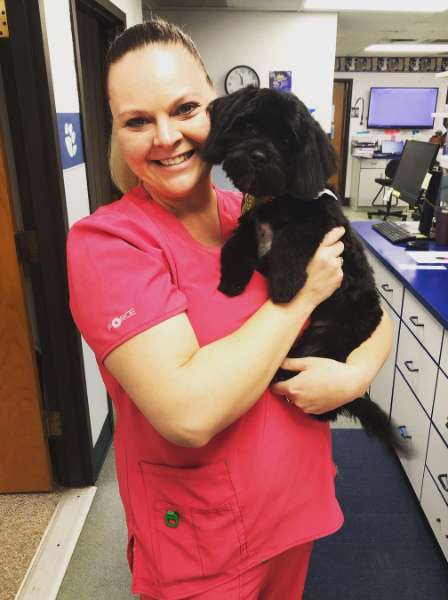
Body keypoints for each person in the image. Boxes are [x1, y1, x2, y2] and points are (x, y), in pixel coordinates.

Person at [66, 20, 393, 600]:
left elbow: (373, 310)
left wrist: (354, 377)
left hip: (296, 503)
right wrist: (304, 297)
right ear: (116, 134)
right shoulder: (110, 243)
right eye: (137, 121)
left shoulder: (253, 207)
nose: (166, 136)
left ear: (217, 111)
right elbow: (188, 414)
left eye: (185, 108)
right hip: (205, 535)